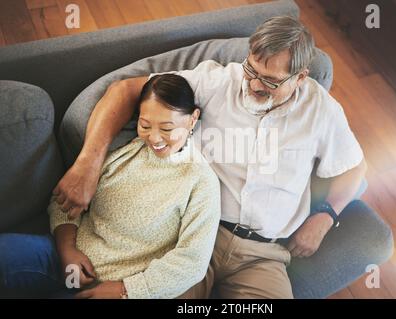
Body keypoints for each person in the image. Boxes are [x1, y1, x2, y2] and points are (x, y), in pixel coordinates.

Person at [52, 16, 370, 298]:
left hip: (263, 255)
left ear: (300, 77)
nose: (254, 85)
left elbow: (354, 167)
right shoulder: (217, 81)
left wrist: (326, 216)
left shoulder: (323, 112)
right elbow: (124, 91)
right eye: (251, 71)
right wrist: (87, 165)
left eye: (271, 82)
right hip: (191, 237)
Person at [0, 74, 221, 299]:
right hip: (65, 260)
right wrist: (67, 249)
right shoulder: (126, 152)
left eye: (166, 128)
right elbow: (67, 198)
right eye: (145, 125)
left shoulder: (201, 182)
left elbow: (192, 261)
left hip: (113, 288)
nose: (154, 138)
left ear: (193, 119)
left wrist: (124, 291)